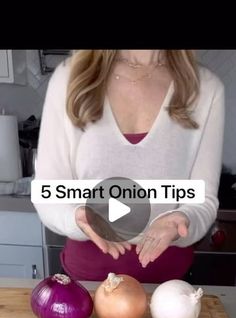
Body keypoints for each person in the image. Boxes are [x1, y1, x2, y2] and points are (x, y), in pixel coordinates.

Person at [34, 50, 225, 283]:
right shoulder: (69, 78)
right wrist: (76, 217)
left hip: (171, 291)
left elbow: (203, 200)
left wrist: (184, 218)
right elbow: (48, 193)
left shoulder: (205, 88)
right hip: (84, 286)